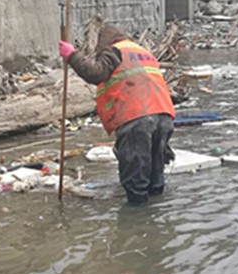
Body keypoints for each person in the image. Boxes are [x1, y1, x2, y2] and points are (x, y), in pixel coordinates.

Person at [59, 23, 175, 206]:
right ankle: (157, 211)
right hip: (164, 115)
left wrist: (72, 55)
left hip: (137, 117)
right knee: (155, 172)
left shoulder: (115, 50)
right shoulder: (143, 52)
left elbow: (95, 73)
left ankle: (137, 216)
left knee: (135, 175)